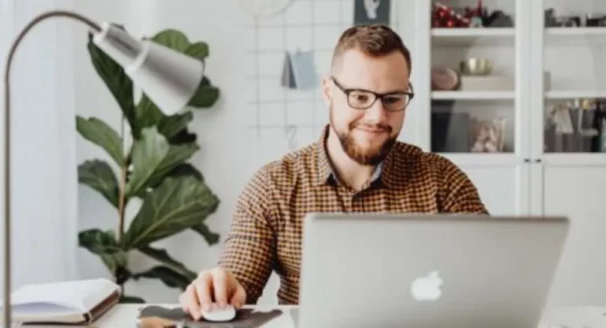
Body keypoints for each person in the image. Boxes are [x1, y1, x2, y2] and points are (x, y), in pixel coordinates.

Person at [178, 24, 488, 320]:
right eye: (360, 97)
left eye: (393, 99)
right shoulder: (274, 186)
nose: (377, 116)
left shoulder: (444, 181)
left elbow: (492, 278)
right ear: (328, 90)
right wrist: (219, 289)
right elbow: (239, 277)